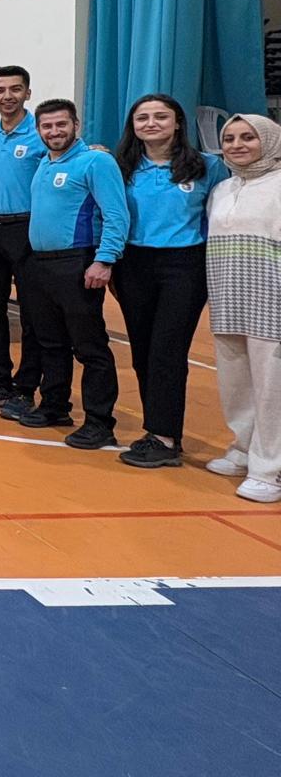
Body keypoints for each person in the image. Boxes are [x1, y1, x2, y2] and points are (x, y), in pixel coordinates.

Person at [110, 95, 228, 468]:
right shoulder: (121, 167)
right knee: (143, 350)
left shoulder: (207, 167)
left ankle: (164, 436)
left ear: (177, 122)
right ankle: (157, 430)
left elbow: (224, 215)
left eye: (161, 116)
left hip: (184, 266)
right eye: (142, 117)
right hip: (134, 264)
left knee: (167, 349)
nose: (151, 123)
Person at [20, 99, 128, 450]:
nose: (54, 131)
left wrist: (104, 260)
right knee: (50, 342)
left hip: (77, 263)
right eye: (47, 126)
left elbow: (116, 214)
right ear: (38, 130)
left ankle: (99, 422)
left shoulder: (96, 161)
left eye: (61, 124)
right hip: (41, 264)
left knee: (89, 346)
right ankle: (54, 406)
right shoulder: (43, 163)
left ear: (76, 125)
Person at [204, 114, 281, 502]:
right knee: (236, 381)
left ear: (269, 140)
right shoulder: (223, 189)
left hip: (271, 300)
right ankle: (244, 448)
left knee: (272, 386)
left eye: (248, 137)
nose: (237, 145)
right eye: (230, 138)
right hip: (228, 297)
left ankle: (271, 468)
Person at [0, 66, 48, 418]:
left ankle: (26, 387)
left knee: (32, 313)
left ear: (27, 93)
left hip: (26, 230)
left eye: (15, 89)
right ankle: (0, 380)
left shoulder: (41, 134)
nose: (7, 96)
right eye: (0, 90)